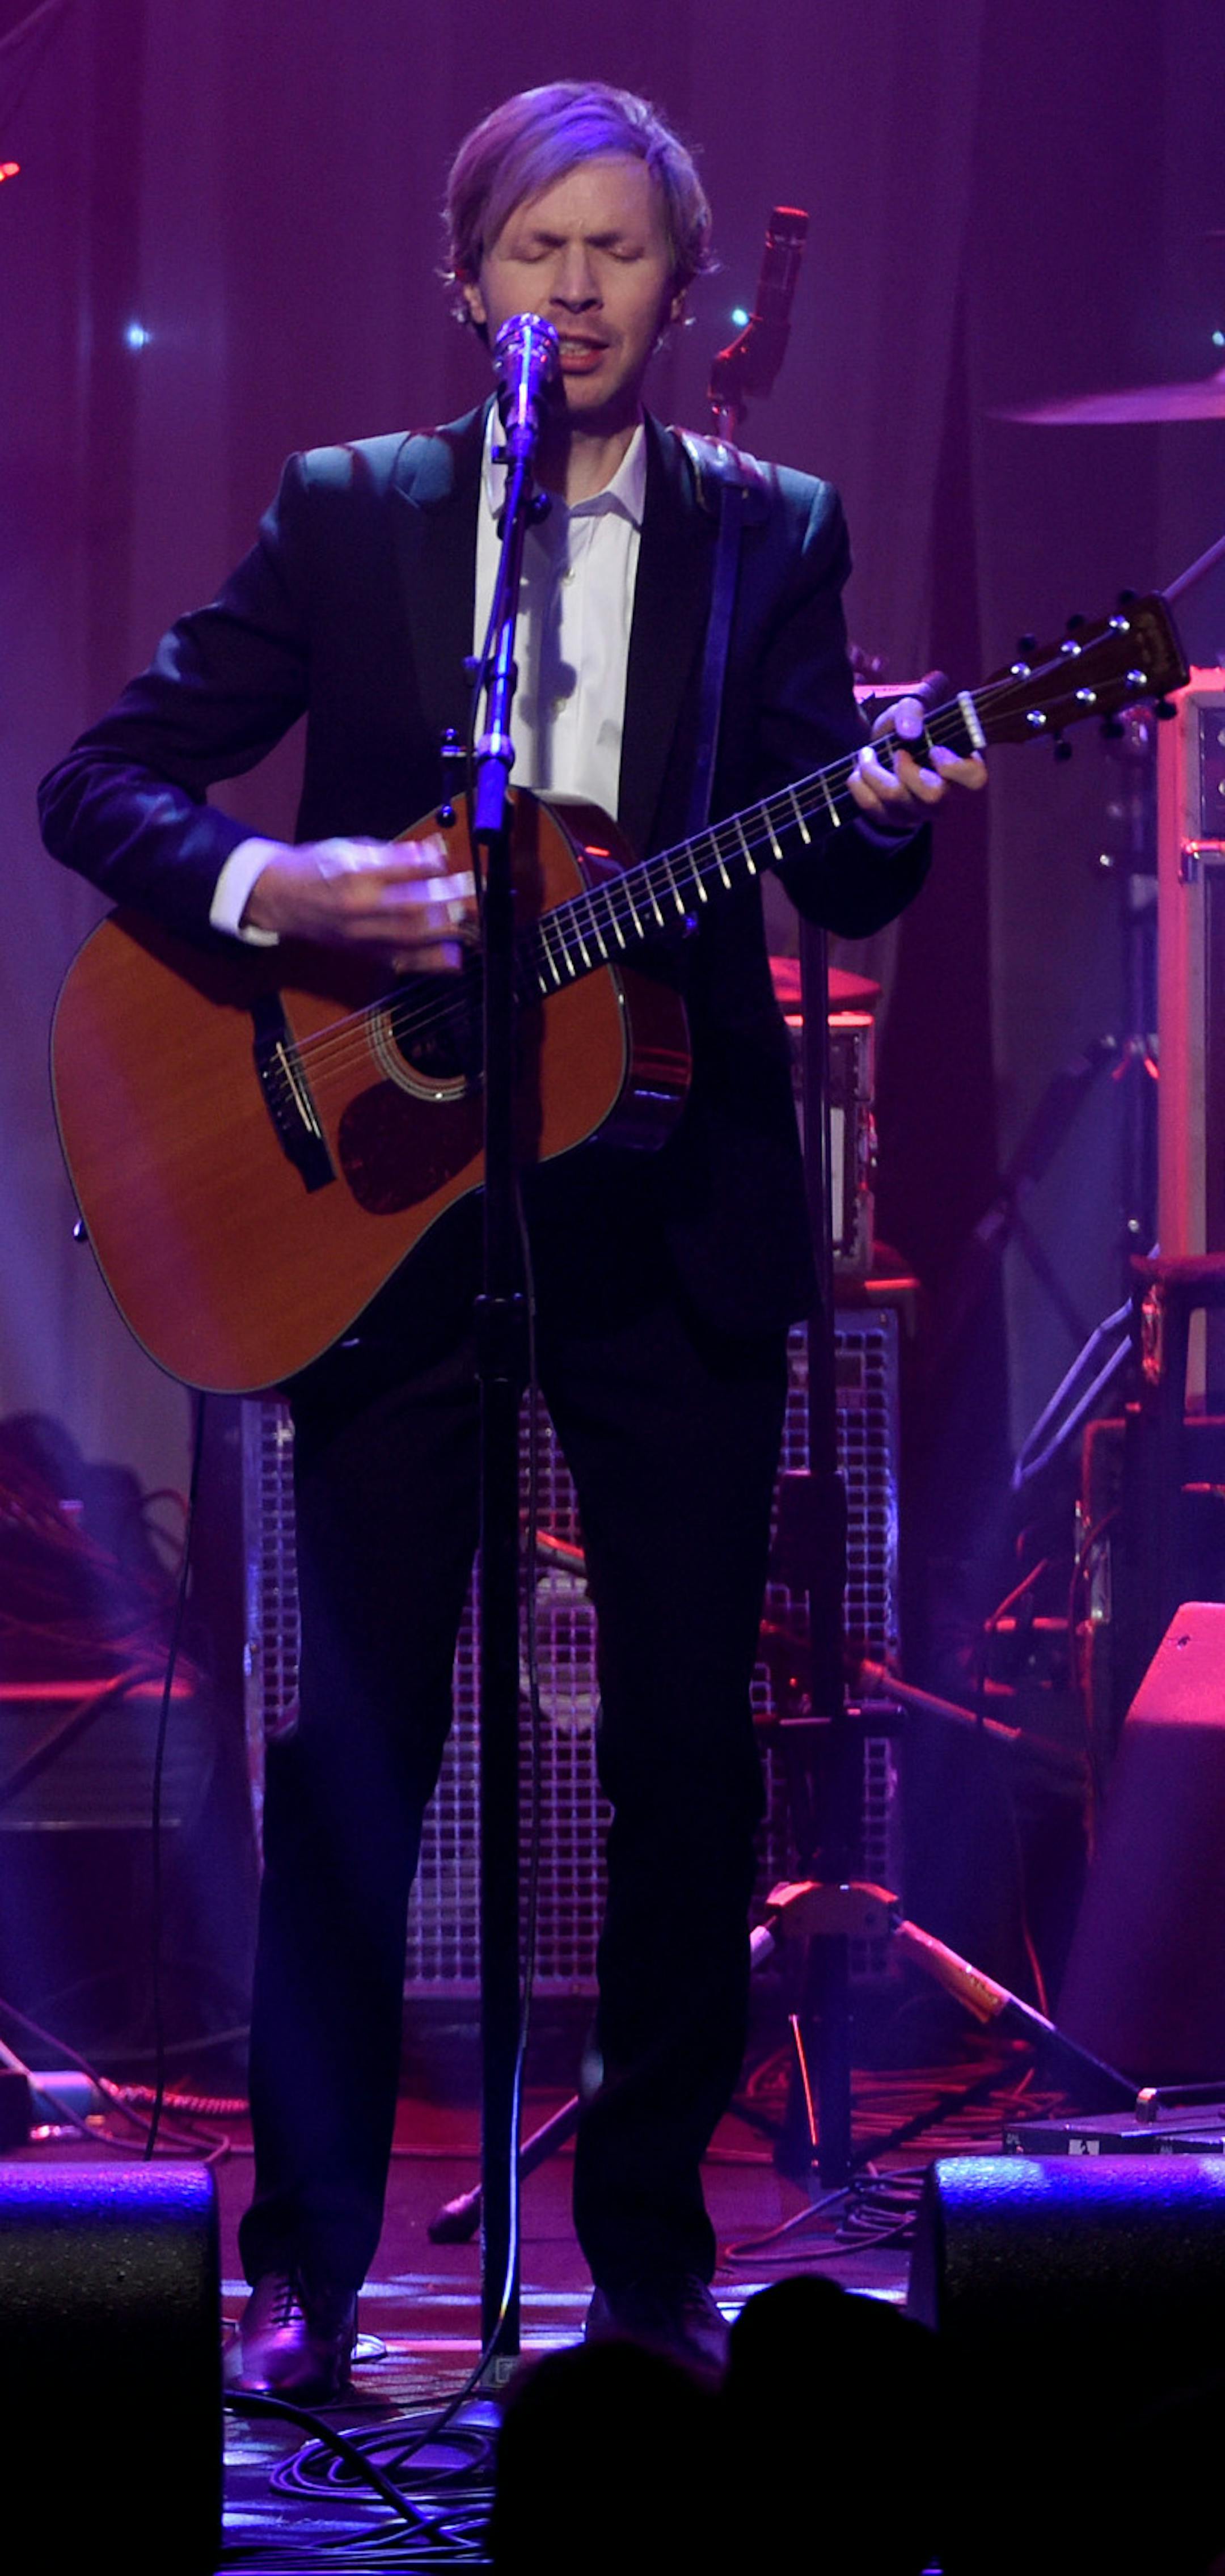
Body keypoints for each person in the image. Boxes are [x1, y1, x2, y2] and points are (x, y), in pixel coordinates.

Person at [39, 80, 985, 2397]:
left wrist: (893, 803)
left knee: (682, 1748)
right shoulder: (354, 516)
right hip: (368, 1205)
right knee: (357, 1746)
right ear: (465, 278)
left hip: (670, 1209)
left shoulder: (776, 526)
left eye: (621, 253)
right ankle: (307, 2270)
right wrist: (285, 887)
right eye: (537, 249)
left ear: (681, 294)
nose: (576, 289)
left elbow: (830, 868)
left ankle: (647, 2270)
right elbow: (108, 777)